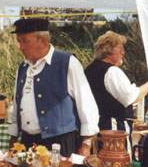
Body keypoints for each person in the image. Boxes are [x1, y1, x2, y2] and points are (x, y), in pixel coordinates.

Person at [8, 18, 99, 157]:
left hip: (60, 143)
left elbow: (86, 105)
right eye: (19, 41)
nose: (20, 47)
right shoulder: (23, 67)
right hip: (27, 143)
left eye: (24, 41)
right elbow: (16, 104)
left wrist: (86, 144)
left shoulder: (67, 63)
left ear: (42, 40)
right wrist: (13, 138)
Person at [85, 31, 148, 134]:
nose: (123, 52)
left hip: (93, 126)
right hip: (112, 130)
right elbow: (131, 98)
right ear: (108, 50)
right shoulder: (112, 71)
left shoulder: (89, 69)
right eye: (120, 48)